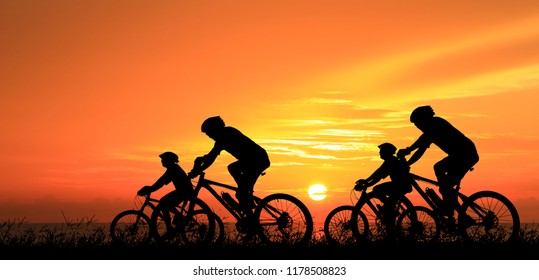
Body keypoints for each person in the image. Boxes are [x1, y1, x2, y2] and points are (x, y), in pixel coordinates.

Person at [398, 105, 479, 216]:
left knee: (440, 173)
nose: (417, 126)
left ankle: (451, 210)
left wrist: (408, 156)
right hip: (460, 155)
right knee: (445, 187)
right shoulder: (431, 128)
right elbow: (421, 146)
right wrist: (408, 153)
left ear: (424, 119)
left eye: (418, 123)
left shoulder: (436, 124)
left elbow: (421, 144)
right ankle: (453, 209)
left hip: (466, 155)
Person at [189, 116, 270, 220]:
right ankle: (246, 199)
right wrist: (200, 164)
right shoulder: (222, 138)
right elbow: (210, 156)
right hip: (251, 161)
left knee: (240, 191)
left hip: (257, 160)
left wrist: (198, 170)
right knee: (234, 171)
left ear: (215, 129)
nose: (209, 136)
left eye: (209, 133)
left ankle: (249, 211)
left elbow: (211, 158)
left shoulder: (226, 134)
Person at [354, 143, 413, 226]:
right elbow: (378, 173)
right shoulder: (389, 161)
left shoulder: (391, 161)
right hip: (399, 184)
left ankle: (389, 209)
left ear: (387, 152)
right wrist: (366, 181)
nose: (380, 153)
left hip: (401, 185)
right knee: (378, 190)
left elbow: (378, 176)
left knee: (377, 189)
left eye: (381, 151)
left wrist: (367, 183)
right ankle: (388, 207)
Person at [137, 151, 193, 237]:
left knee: (163, 202)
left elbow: (161, 182)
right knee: (165, 203)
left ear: (169, 161)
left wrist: (150, 189)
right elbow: (161, 181)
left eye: (163, 160)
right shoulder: (173, 168)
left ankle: (170, 228)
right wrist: (150, 188)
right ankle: (178, 219)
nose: (162, 161)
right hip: (184, 191)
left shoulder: (173, 169)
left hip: (184, 191)